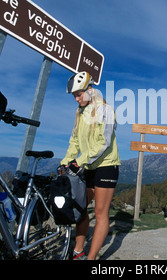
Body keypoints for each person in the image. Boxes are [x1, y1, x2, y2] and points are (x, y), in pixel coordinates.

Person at [59, 71, 120, 260]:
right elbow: (75, 141)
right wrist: (66, 161)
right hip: (88, 166)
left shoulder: (105, 110)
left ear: (90, 89)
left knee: (101, 213)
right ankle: (78, 251)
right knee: (81, 208)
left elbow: (104, 142)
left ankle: (91, 258)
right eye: (74, 96)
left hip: (107, 165)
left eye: (79, 94)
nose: (76, 99)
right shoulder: (81, 112)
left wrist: (80, 161)